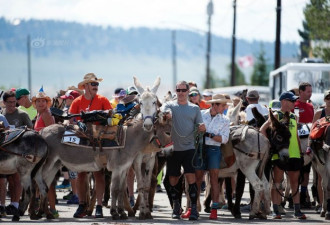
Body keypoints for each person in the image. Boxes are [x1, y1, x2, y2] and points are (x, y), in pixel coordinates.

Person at [161, 81, 206, 220]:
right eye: (178, 90)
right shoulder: (170, 105)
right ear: (176, 91)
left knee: (191, 177)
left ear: (188, 91)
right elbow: (164, 110)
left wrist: (202, 128)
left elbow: (200, 124)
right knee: (172, 178)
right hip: (172, 148)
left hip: (189, 147)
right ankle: (176, 206)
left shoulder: (194, 108)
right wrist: (166, 115)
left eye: (183, 90)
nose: (180, 92)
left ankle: (193, 208)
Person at [70, 73, 112, 218]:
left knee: (99, 174)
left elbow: (110, 117)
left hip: (99, 143)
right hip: (82, 143)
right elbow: (70, 121)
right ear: (86, 86)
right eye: (93, 84)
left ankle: (99, 206)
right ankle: (82, 205)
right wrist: (77, 124)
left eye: (97, 84)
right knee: (81, 174)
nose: (96, 87)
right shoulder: (77, 101)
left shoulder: (103, 100)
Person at [260, 91, 306, 220]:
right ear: (284, 101)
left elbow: (296, 135)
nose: (294, 103)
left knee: (295, 182)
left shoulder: (293, 117)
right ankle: (276, 210)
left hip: (295, 153)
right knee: (277, 183)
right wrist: (271, 146)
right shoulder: (276, 115)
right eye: (292, 101)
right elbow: (262, 130)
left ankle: (297, 210)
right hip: (279, 154)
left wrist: (301, 153)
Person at [194, 94, 230, 220]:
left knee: (214, 178)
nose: (225, 107)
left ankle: (214, 209)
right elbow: (193, 131)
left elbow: (224, 139)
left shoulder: (225, 120)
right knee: (198, 178)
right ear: (215, 105)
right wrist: (199, 131)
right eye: (223, 105)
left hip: (214, 149)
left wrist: (207, 133)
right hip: (201, 148)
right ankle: (193, 207)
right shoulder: (201, 114)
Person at [1, 91, 33, 216]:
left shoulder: (22, 114)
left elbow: (31, 131)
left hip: (19, 153)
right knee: (6, 180)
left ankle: (15, 204)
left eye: (14, 102)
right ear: (4, 102)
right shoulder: (2, 115)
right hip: (4, 153)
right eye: (9, 102)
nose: (12, 105)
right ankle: (5, 205)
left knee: (15, 179)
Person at [56, 90, 81, 205]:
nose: (65, 100)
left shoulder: (70, 110)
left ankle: (76, 195)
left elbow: (66, 122)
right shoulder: (80, 108)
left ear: (72, 99)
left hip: (72, 142)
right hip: (77, 141)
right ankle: (76, 193)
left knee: (73, 170)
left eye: (67, 98)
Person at [294, 82, 314, 209]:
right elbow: (293, 121)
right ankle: (294, 197)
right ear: (300, 92)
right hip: (297, 144)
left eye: (311, 91)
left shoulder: (311, 106)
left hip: (309, 144)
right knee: (296, 173)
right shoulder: (294, 105)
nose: (310, 93)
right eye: (308, 91)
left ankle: (303, 196)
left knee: (306, 173)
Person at [310, 89, 330, 213]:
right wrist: (308, 146)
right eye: (328, 98)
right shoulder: (319, 113)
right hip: (320, 149)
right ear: (324, 99)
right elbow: (312, 131)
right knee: (320, 178)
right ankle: (322, 204)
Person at [0, 113, 9, 217]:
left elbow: (8, 132)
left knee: (2, 181)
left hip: (1, 155)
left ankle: (2, 206)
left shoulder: (1, 117)